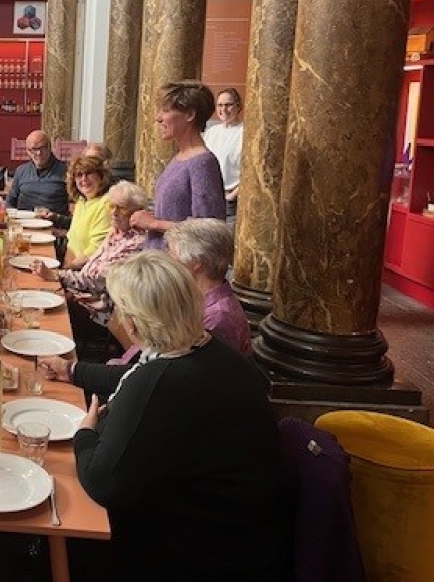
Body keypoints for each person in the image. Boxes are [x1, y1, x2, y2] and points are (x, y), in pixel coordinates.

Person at [61, 252, 289, 581]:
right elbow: (132, 377)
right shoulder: (208, 350)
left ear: (134, 322)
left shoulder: (162, 381)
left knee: (67, 517)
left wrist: (85, 433)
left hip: (200, 554)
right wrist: (73, 371)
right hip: (246, 533)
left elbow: (103, 482)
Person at [33, 180, 148, 362]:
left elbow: (98, 280)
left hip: (99, 312)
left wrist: (57, 275)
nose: (114, 212)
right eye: (111, 206)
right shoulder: (115, 232)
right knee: (36, 294)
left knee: (40, 311)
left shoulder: (136, 243)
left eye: (122, 208)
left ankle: (48, 363)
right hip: (82, 295)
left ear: (137, 213)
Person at [130, 80, 226, 249]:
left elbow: (209, 229)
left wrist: (153, 224)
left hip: (179, 267)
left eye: (166, 111)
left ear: (189, 115)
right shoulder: (179, 158)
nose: (158, 118)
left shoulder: (202, 163)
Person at [166, 218, 251, 355]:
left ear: (197, 262)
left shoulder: (217, 317)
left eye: (172, 254)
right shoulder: (195, 297)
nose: (168, 260)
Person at [60, 153, 113, 269]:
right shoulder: (82, 201)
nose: (84, 179)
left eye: (88, 173)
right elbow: (72, 243)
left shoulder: (106, 203)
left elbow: (96, 249)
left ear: (100, 176)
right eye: (79, 175)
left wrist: (65, 270)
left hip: (88, 273)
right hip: (72, 268)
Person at [203, 87, 244, 222]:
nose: (224, 110)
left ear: (238, 107)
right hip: (209, 198)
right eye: (220, 105)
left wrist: (232, 196)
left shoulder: (245, 133)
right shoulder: (212, 132)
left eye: (229, 105)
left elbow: (249, 171)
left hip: (231, 201)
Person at [6, 129, 69, 215]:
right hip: (23, 222)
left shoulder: (66, 171)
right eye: (34, 149)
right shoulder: (21, 171)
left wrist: (57, 218)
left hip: (53, 224)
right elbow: (10, 202)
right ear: (28, 151)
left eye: (42, 148)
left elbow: (76, 206)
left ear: (49, 147)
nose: (38, 153)